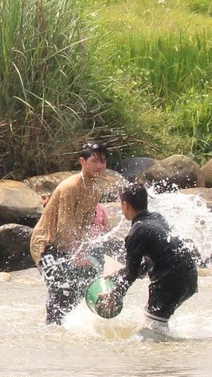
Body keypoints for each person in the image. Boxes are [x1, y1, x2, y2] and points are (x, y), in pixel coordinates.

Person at [33, 141, 123, 325]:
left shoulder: (96, 188)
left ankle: (67, 327)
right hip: (46, 244)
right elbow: (64, 225)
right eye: (95, 161)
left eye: (103, 162)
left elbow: (85, 224)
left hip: (69, 245)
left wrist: (87, 249)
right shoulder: (70, 187)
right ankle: (51, 330)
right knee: (60, 287)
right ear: (82, 161)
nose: (99, 166)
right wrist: (78, 252)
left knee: (80, 285)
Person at [111, 182, 199, 335]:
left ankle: (163, 357)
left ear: (125, 205)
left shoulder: (136, 232)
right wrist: (121, 273)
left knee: (150, 333)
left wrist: (115, 294)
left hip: (170, 282)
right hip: (190, 277)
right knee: (155, 324)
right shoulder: (158, 218)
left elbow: (131, 274)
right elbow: (154, 259)